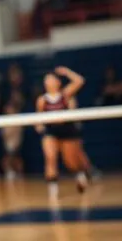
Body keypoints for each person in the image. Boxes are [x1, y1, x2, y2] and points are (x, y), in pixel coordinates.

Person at [36, 66, 88, 195]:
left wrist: (66, 72)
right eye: (46, 80)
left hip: (67, 130)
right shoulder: (42, 100)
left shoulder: (65, 94)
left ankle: (80, 175)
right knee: (50, 157)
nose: (48, 82)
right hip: (51, 131)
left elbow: (80, 81)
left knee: (70, 161)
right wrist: (39, 126)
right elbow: (38, 117)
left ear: (58, 82)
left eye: (51, 79)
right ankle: (53, 190)